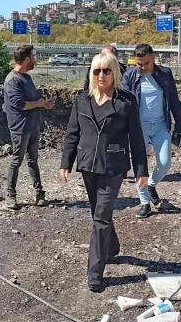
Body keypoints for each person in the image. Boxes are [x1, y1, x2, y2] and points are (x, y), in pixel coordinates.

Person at [60, 53, 148, 292]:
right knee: (99, 213)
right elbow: (72, 133)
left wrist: (142, 169)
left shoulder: (126, 102)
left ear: (114, 73)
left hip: (114, 166)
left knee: (100, 218)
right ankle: (112, 247)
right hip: (88, 165)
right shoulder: (81, 100)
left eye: (106, 71)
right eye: (97, 71)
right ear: (91, 73)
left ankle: (95, 274)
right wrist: (65, 162)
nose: (101, 75)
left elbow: (136, 138)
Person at [121, 43, 181, 218]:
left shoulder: (165, 74)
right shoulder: (129, 76)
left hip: (160, 126)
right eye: (138, 64)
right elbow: (123, 105)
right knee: (140, 166)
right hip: (138, 128)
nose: (142, 67)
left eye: (146, 63)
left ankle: (150, 184)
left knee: (164, 163)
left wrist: (179, 126)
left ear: (153, 59)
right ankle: (144, 203)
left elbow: (174, 101)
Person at [3, 45, 54, 210]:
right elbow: (20, 104)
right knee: (16, 161)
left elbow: (33, 100)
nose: (35, 60)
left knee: (33, 160)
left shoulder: (26, 78)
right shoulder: (12, 80)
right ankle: (10, 196)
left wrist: (43, 103)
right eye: (33, 57)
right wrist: (38, 103)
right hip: (20, 128)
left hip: (32, 126)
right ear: (26, 60)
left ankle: (39, 194)